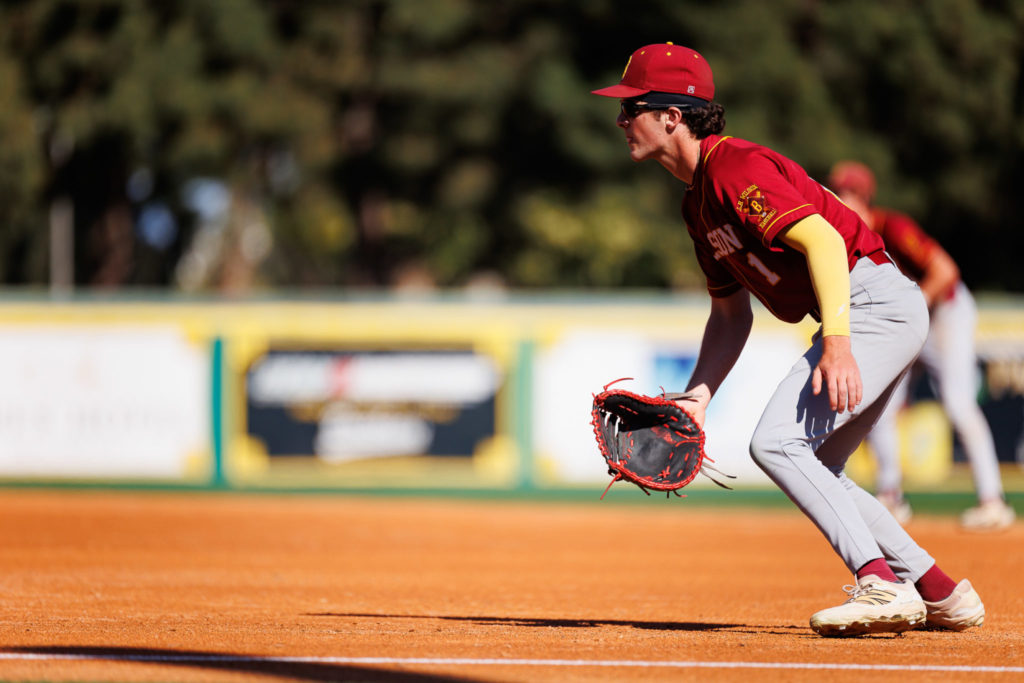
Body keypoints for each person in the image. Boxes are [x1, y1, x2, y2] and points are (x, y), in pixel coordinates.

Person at [592, 42, 985, 636]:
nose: (622, 120)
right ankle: (940, 591)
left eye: (633, 107)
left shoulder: (733, 167)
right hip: (870, 307)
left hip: (871, 302)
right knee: (822, 463)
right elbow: (731, 316)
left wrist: (839, 342)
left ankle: (880, 584)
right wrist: (698, 397)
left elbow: (825, 242)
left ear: (672, 116)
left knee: (776, 443)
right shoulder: (696, 204)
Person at [828, 161, 1015, 531]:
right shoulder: (841, 238)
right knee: (880, 404)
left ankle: (993, 501)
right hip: (904, 318)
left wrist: (912, 310)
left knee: (958, 404)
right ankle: (890, 496)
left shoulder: (890, 226)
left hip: (945, 312)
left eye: (842, 193)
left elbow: (945, 271)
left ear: (861, 197)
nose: (835, 199)